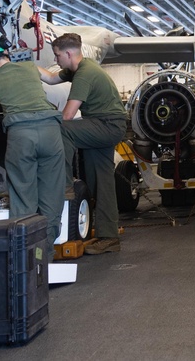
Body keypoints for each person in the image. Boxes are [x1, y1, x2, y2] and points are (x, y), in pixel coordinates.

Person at [40, 32, 127, 254]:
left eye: (58, 55)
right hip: (105, 124)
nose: (56, 60)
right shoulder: (79, 68)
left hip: (106, 125)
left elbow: (67, 116)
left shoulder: (84, 74)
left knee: (60, 128)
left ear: (69, 53)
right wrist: (21, 67)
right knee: (101, 180)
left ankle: (64, 183)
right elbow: (50, 78)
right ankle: (109, 237)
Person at [0, 35, 65, 252]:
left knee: (23, 195)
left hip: (21, 136)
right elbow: (53, 78)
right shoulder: (29, 67)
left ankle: (28, 256)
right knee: (52, 194)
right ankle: (47, 253)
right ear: (6, 49)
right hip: (50, 131)